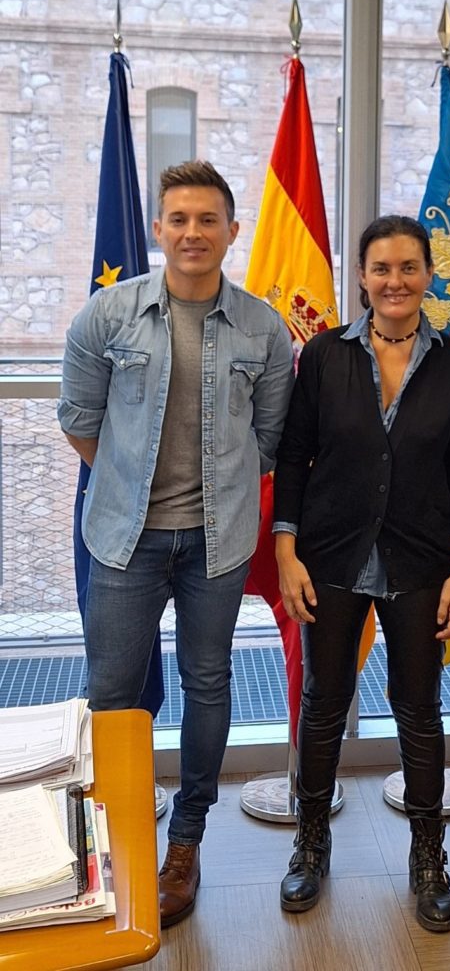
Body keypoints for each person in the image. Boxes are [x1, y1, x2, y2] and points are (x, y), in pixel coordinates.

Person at [58, 160, 295, 927]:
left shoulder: (263, 328)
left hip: (216, 543)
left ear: (231, 231)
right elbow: (78, 420)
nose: (192, 233)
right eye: (179, 220)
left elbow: (270, 439)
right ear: (159, 230)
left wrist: (209, 495)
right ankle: (112, 838)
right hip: (123, 540)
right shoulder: (107, 315)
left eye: (208, 220)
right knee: (115, 694)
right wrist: (132, 485)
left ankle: (186, 839)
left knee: (208, 682)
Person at [272, 215, 450, 933]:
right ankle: (311, 841)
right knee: (324, 700)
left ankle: (429, 857)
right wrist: (285, 547)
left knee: (418, 709)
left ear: (428, 275)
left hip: (422, 559)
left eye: (408, 268)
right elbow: (295, 455)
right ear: (360, 278)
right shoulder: (326, 357)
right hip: (329, 556)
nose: (394, 282)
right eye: (380, 268)